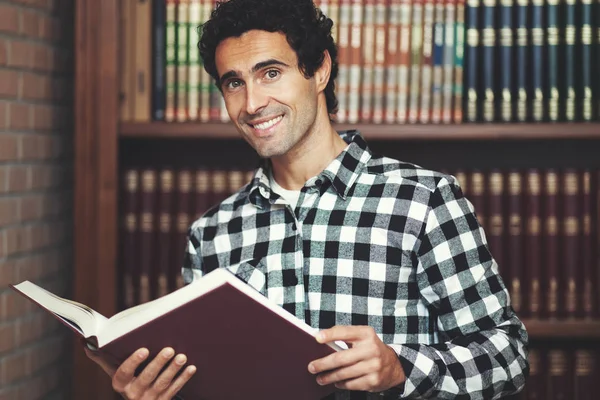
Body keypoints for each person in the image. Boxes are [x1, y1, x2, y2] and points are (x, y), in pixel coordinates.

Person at [86, 0, 529, 398]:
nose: (253, 102)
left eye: (271, 73)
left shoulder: (424, 200)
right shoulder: (212, 234)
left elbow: (508, 358)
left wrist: (400, 368)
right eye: (234, 83)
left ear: (320, 70)